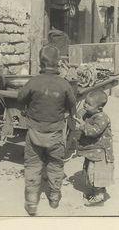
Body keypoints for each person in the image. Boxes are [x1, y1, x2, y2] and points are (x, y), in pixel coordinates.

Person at [17, 45, 76, 216]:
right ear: (58, 63)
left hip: (34, 132)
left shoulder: (34, 81)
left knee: (33, 165)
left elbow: (21, 98)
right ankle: (55, 197)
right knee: (56, 164)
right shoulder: (64, 84)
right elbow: (71, 104)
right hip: (56, 134)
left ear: (40, 63)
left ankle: (31, 202)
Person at [74, 90, 114, 207]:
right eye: (85, 102)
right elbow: (81, 113)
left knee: (96, 174)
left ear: (99, 108)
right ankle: (97, 192)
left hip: (100, 152)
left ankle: (98, 199)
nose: (85, 105)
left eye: (89, 104)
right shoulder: (91, 113)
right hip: (93, 150)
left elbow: (94, 132)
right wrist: (79, 114)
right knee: (90, 171)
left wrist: (82, 124)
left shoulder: (102, 118)